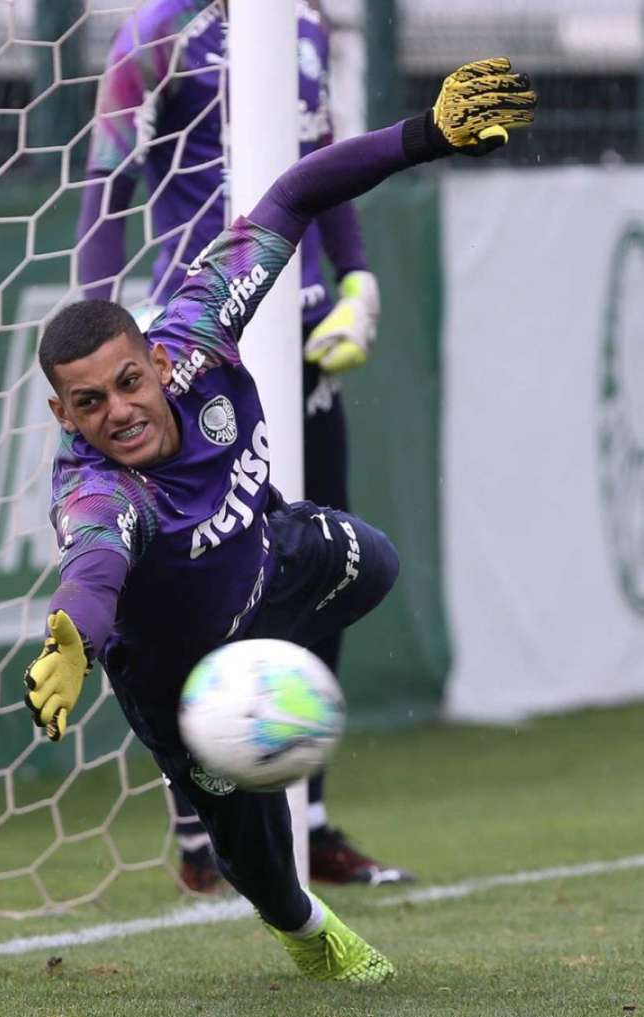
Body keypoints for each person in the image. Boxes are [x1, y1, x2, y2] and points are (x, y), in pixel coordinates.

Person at [26, 58, 536, 982]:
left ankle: (262, 660)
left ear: (154, 355)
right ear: (65, 417)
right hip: (179, 683)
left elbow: (295, 191)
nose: (119, 412)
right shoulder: (98, 492)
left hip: (268, 564)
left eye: (128, 382)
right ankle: (309, 933)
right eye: (89, 403)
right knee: (259, 868)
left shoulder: (200, 326)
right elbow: (93, 569)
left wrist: (423, 135)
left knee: (371, 561)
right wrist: (72, 641)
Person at [76, 0, 405, 892]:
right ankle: (200, 786)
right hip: (194, 351)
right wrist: (106, 327)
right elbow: (105, 181)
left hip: (300, 337)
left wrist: (356, 283)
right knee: (195, 577)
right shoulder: (156, 31)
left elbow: (319, 166)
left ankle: (311, 809)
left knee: (314, 559)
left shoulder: (301, 22)